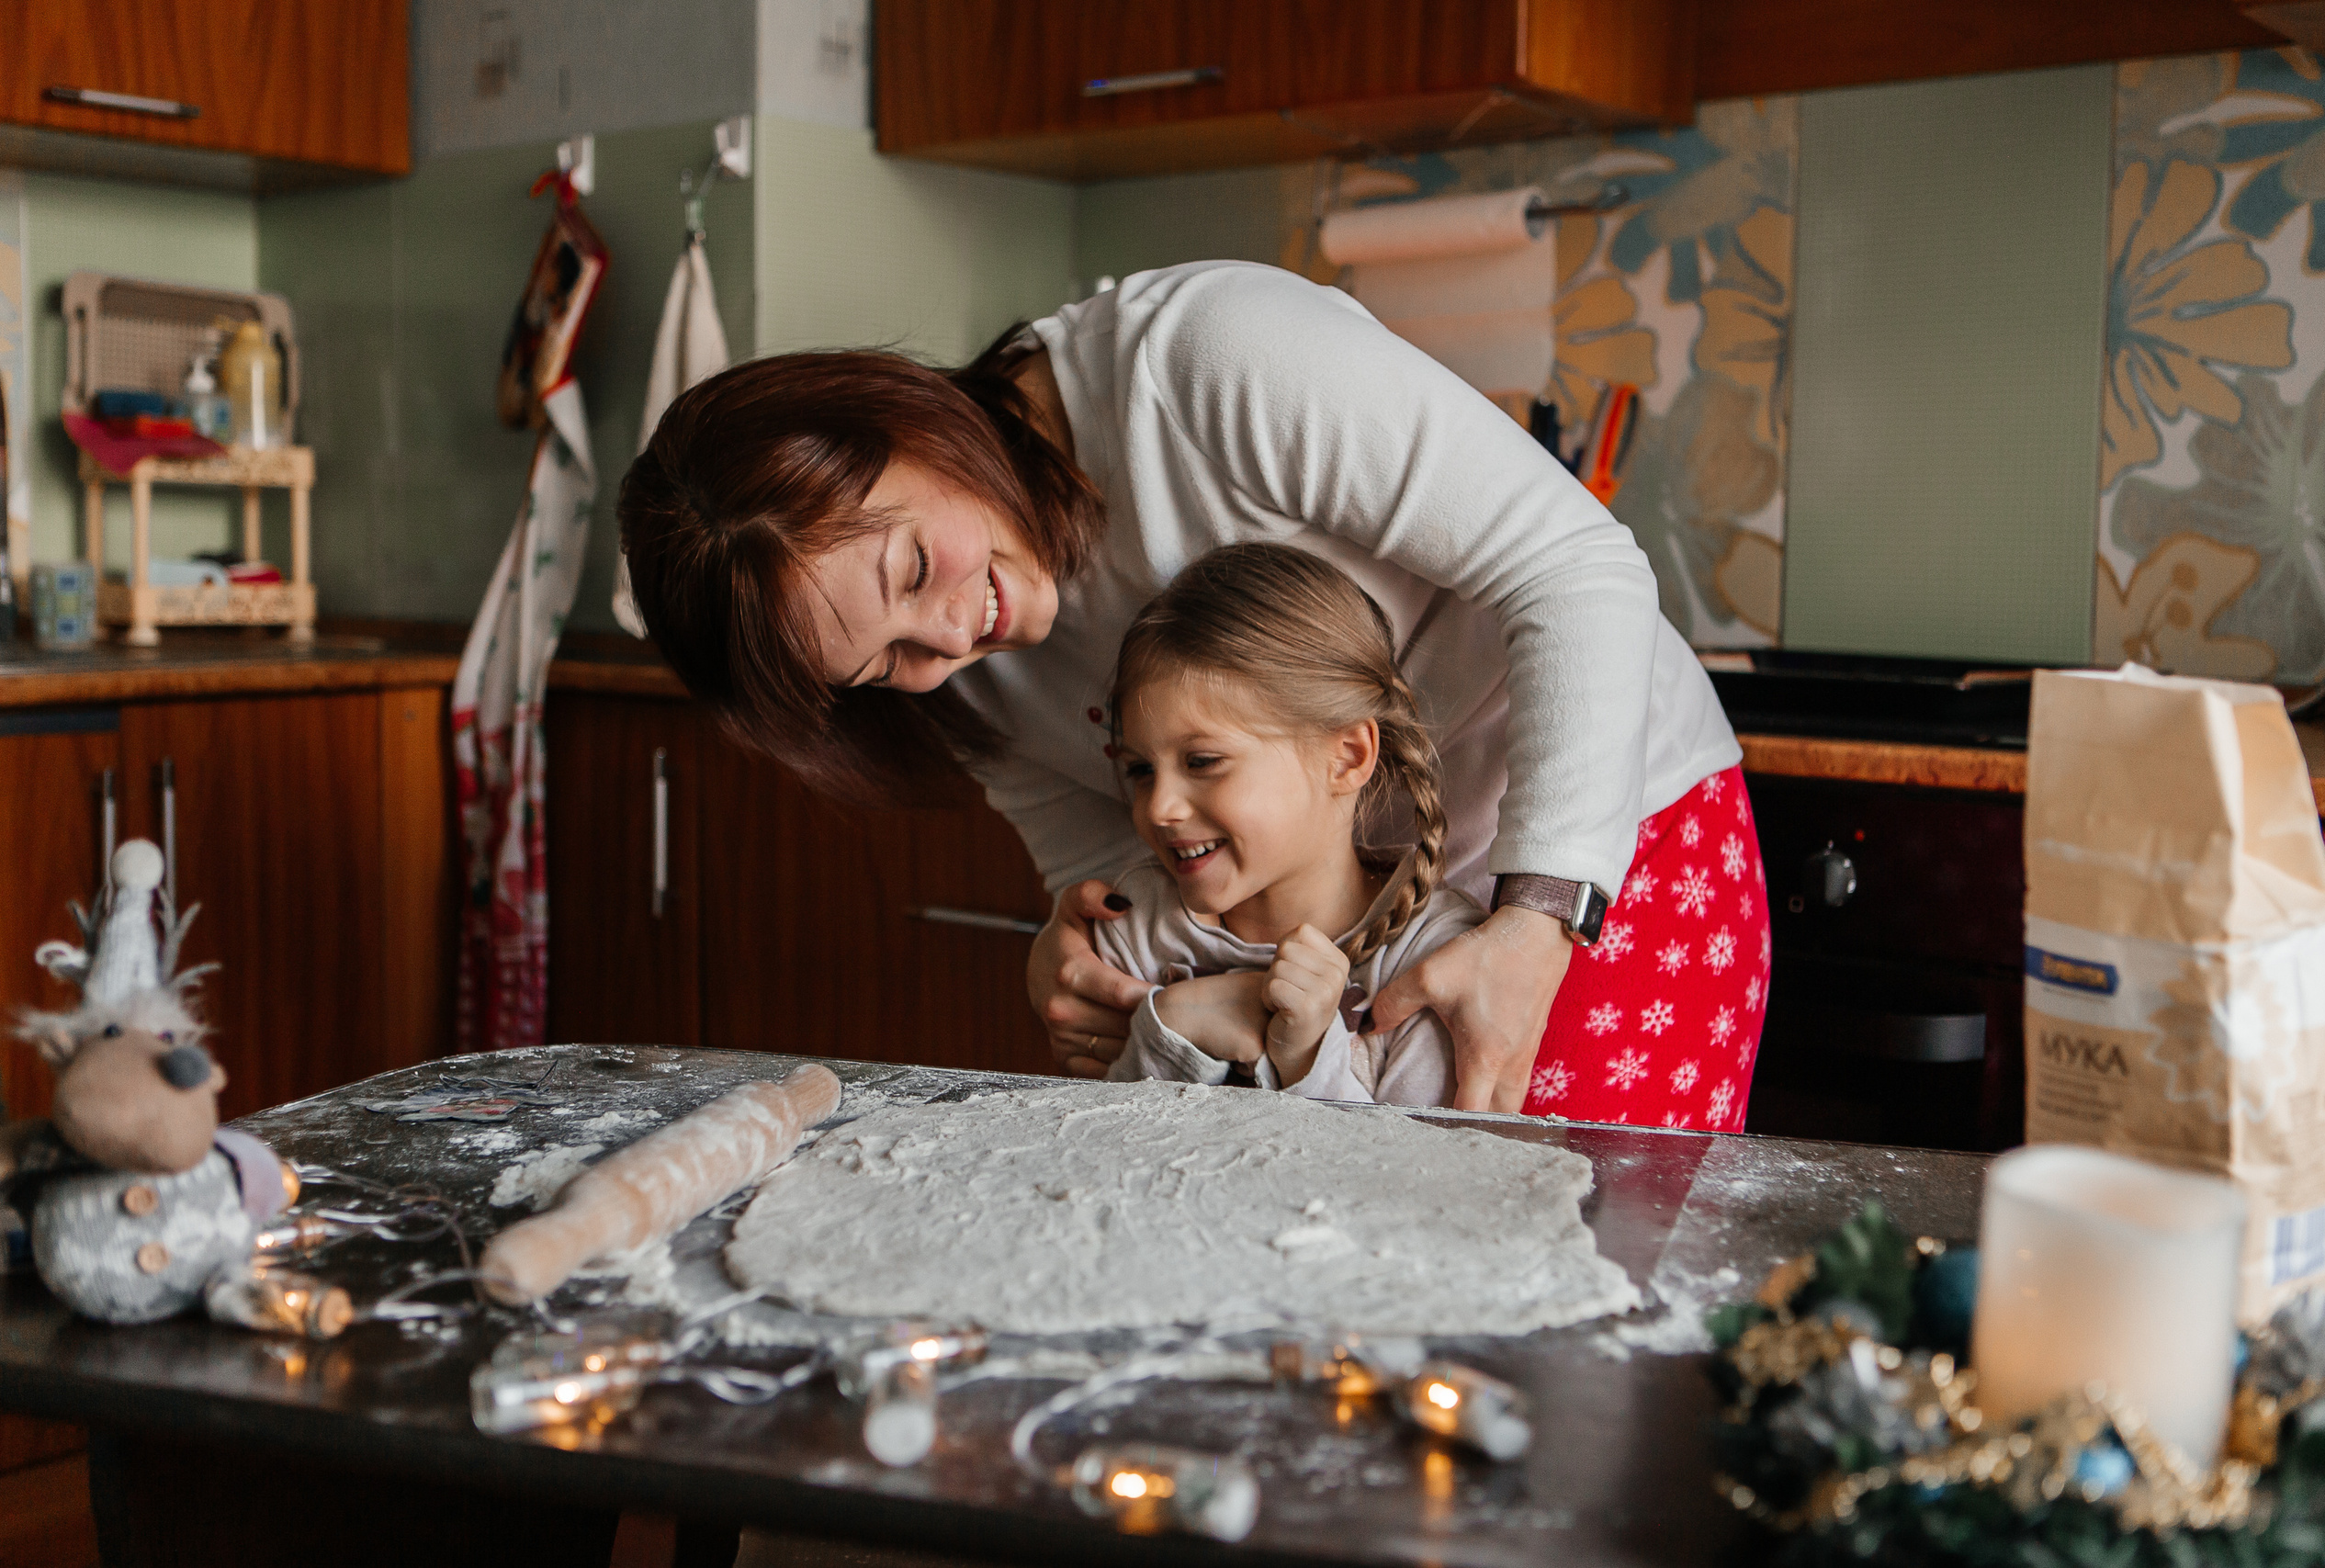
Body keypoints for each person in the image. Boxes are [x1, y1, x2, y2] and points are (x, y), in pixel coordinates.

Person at [618, 260, 1764, 1123]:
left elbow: (1574, 568)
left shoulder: (1204, 363)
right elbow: (1117, 868)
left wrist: (1534, 918)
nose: (957, 637)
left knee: (1566, 1306)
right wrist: (1078, 953)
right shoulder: (950, 684)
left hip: (1595, 845)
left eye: (915, 567)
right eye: (883, 664)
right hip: (1345, 944)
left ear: (908, 423)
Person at [1094, 543, 1484, 1103]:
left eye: (1203, 762)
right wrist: (1171, 1030)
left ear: (1347, 757)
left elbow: (1410, 1182)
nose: (1158, 808)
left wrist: (1307, 1060)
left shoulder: (1432, 959)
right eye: (1140, 770)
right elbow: (1091, 1153)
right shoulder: (1136, 928)